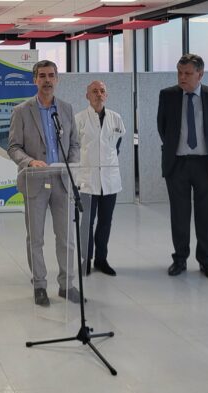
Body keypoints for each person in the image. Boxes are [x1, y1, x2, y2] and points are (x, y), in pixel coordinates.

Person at [8, 60, 81, 307]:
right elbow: (14, 147)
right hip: (35, 181)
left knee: (66, 238)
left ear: (57, 79)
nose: (47, 80)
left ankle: (66, 284)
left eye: (51, 75)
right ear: (34, 80)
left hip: (62, 180)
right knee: (36, 238)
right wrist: (29, 162)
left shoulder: (67, 109)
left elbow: (74, 143)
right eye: (42, 76)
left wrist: (71, 164)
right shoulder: (22, 111)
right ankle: (39, 285)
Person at [157, 53, 208, 280]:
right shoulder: (168, 95)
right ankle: (180, 259)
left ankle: (206, 261)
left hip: (206, 164)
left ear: (200, 74)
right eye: (179, 72)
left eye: (187, 73)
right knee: (180, 215)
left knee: (207, 217)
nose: (182, 77)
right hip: (178, 164)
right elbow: (162, 127)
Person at [75, 80, 125, 277]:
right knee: (87, 221)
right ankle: (85, 260)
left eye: (102, 91)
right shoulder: (79, 119)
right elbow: (73, 148)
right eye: (94, 91)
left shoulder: (116, 118)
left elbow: (117, 143)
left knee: (106, 221)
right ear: (87, 96)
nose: (98, 94)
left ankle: (101, 259)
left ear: (107, 95)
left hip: (110, 180)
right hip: (87, 179)